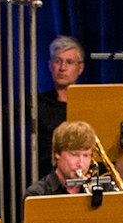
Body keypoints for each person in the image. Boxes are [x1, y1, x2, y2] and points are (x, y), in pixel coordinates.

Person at [37, 35, 86, 170]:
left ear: (80, 68)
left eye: (69, 62)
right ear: (50, 65)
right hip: (49, 183)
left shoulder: (92, 103)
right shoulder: (37, 102)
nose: (62, 68)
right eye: (58, 61)